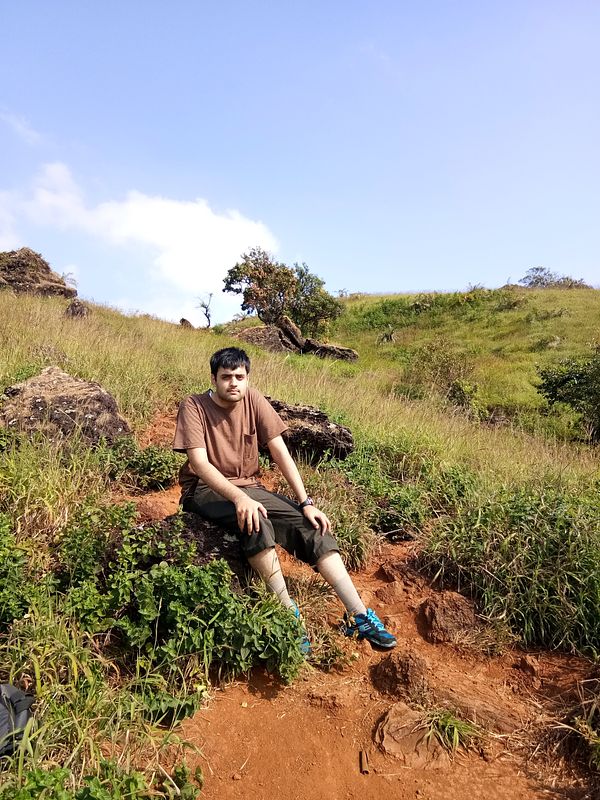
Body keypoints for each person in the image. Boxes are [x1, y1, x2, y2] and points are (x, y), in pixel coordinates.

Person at [173, 346, 396, 651]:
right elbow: (199, 464)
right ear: (214, 378)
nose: (233, 383)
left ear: (247, 378)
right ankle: (288, 614)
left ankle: (359, 615)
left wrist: (306, 503)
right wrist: (239, 499)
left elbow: (280, 452)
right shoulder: (194, 406)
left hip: (250, 487)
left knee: (311, 526)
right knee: (255, 520)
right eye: (226, 377)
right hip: (203, 489)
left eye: (239, 376)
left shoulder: (253, 399)